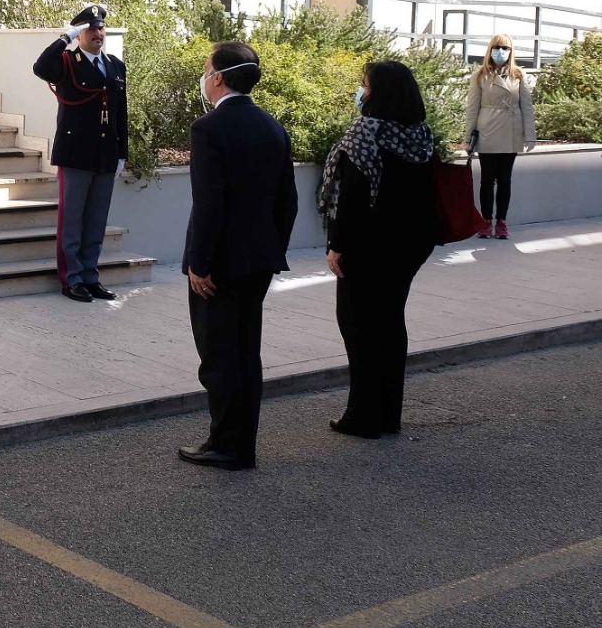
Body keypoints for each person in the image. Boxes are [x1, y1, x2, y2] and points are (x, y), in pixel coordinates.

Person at [179, 41, 297, 471]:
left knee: (219, 354)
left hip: (222, 264)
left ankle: (226, 444)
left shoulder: (210, 128)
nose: (204, 76)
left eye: (207, 69)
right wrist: (271, 248)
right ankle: (242, 440)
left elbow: (209, 204)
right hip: (259, 260)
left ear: (221, 78)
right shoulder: (271, 126)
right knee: (247, 351)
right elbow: (288, 202)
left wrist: (200, 263)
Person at [319, 61, 439, 439]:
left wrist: (337, 246)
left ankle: (363, 416)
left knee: (358, 326)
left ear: (381, 92)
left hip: (367, 247)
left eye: (365, 86)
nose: (361, 92)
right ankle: (389, 414)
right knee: (389, 322)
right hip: (409, 244)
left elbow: (352, 197)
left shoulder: (365, 133)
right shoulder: (421, 135)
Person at [31, 4, 129, 302]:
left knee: (97, 220)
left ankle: (90, 275)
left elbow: (121, 112)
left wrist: (122, 151)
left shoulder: (114, 65)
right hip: (75, 154)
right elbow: (40, 68)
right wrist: (65, 38)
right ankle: (71, 278)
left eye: (100, 28)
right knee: (72, 220)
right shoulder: (66, 62)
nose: (98, 33)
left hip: (105, 154)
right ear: (79, 33)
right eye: (90, 29)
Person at [463, 33, 537, 240]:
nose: (500, 52)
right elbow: (472, 108)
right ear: (490, 49)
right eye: (497, 47)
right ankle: (485, 221)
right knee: (487, 180)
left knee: (505, 179)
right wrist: (469, 136)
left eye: (505, 48)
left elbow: (527, 107)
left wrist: (530, 135)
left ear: (511, 52)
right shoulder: (480, 75)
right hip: (487, 130)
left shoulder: (518, 75)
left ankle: (502, 221)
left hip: (511, 130)